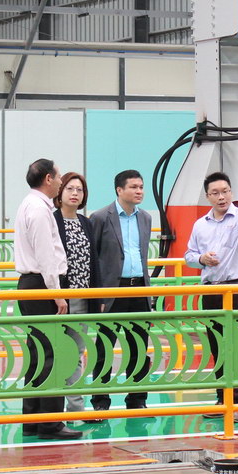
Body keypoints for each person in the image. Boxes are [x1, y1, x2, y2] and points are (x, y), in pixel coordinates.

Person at [183, 172, 238, 414]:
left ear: (231, 192)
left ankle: (234, 402)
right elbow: (189, 256)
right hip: (211, 289)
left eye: (225, 191)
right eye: (215, 193)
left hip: (236, 288)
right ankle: (222, 398)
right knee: (216, 344)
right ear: (208, 196)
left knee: (237, 344)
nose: (221, 197)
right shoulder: (200, 225)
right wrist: (202, 259)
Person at [13, 158, 81, 441]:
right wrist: (57, 293)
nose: (62, 181)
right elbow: (46, 256)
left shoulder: (28, 204)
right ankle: (50, 423)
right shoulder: (40, 210)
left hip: (31, 284)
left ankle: (33, 419)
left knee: (38, 353)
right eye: (59, 176)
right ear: (49, 179)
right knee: (54, 354)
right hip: (43, 285)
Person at [88, 169, 153, 413]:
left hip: (139, 289)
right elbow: (93, 259)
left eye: (141, 187)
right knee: (104, 347)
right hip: (112, 291)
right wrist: (98, 295)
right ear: (119, 190)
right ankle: (100, 401)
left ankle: (137, 400)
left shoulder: (145, 218)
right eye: (134, 187)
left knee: (138, 347)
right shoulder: (100, 217)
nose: (139, 191)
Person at [53, 172, 99, 418]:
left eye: (79, 190)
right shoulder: (52, 221)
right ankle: (55, 408)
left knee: (76, 353)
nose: (74, 193)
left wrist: (97, 297)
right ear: (60, 193)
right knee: (55, 353)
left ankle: (75, 408)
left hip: (83, 298)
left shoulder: (86, 223)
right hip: (58, 300)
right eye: (70, 188)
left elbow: (94, 262)